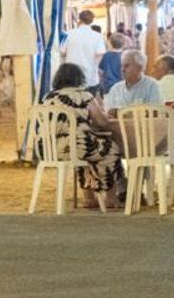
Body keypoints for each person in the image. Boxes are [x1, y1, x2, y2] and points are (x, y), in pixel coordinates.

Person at [39, 63, 124, 208]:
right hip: (77, 147)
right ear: (79, 78)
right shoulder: (83, 96)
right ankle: (110, 198)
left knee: (83, 151)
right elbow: (102, 122)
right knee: (111, 150)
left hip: (49, 149)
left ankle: (89, 199)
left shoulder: (48, 98)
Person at [61, 9, 106, 90]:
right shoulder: (98, 36)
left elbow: (62, 52)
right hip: (90, 76)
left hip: (71, 75)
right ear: (92, 20)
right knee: (89, 100)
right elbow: (99, 56)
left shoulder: (69, 34)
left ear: (79, 19)